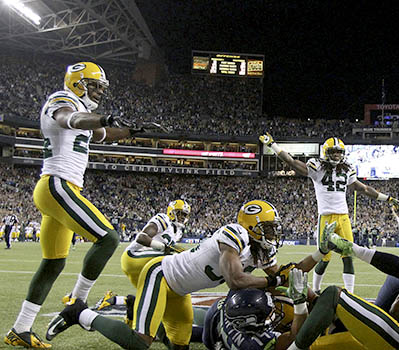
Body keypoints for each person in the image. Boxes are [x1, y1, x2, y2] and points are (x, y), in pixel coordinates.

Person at [4, 62, 164, 349]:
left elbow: (103, 134)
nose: (100, 92)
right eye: (95, 86)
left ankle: (20, 329)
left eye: (102, 87)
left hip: (62, 187)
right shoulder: (63, 100)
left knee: (53, 263)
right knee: (108, 237)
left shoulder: (84, 110)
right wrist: (103, 118)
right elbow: (72, 119)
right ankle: (77, 301)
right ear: (78, 83)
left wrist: (132, 131)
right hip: (57, 184)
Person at [46, 200, 328, 349]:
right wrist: (275, 281)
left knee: (180, 345)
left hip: (180, 291)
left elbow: (286, 276)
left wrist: (319, 254)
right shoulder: (235, 233)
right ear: (252, 226)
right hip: (161, 276)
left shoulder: (259, 251)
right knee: (139, 342)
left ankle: (128, 308)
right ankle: (80, 312)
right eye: (268, 228)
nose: (273, 234)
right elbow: (235, 280)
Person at [259, 133, 399, 293]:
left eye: (339, 152)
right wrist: (273, 145)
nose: (336, 155)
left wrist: (386, 198)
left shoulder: (347, 170)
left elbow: (364, 189)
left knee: (348, 255)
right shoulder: (317, 167)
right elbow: (291, 162)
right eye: (333, 152)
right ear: (326, 152)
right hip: (326, 217)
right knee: (323, 257)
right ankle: (317, 289)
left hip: (343, 217)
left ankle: (350, 294)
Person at [94, 200, 191, 313]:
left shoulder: (178, 232)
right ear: (171, 212)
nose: (182, 217)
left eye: (184, 215)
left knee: (154, 299)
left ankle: (113, 300)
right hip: (133, 256)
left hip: (146, 264)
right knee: (172, 257)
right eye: (180, 213)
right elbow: (141, 237)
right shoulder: (163, 219)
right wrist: (164, 247)